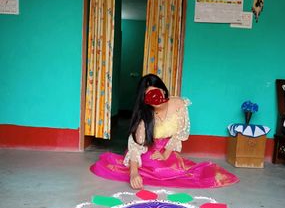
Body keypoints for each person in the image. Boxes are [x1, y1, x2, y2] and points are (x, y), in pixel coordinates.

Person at [90, 74, 239, 189]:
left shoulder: (179, 104)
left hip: (167, 150)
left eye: (157, 92)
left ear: (163, 90)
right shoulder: (145, 116)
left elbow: (178, 133)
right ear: (145, 99)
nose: (155, 98)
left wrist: (166, 153)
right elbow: (135, 146)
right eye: (149, 95)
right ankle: (141, 171)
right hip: (147, 152)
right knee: (154, 170)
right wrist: (134, 173)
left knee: (175, 172)